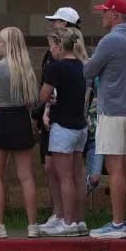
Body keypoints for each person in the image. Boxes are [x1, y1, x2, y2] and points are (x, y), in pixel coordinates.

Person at [85, 0, 126, 239]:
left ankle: (118, 223)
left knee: (115, 166)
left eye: (104, 12)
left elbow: (88, 71)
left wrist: (84, 58)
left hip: (112, 109)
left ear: (114, 14)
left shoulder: (110, 40)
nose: (102, 16)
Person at [0, 27, 40, 237]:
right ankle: (32, 225)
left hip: (1, 119)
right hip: (21, 118)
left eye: (0, 42)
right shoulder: (27, 68)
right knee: (26, 176)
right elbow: (32, 101)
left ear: (7, 44)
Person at [41, 27, 90, 236]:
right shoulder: (82, 65)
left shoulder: (56, 68)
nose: (51, 50)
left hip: (63, 126)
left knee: (65, 177)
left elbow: (43, 95)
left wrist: (49, 96)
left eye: (52, 46)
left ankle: (67, 223)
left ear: (59, 46)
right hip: (81, 126)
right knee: (78, 175)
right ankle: (79, 221)